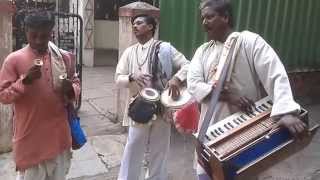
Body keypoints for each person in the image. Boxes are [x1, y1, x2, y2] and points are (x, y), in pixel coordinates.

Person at [187, 0, 306, 179]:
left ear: (226, 17)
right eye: (203, 18)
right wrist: (229, 95)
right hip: (211, 135)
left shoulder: (249, 41)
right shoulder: (202, 52)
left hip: (246, 132)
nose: (204, 22)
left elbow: (274, 72)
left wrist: (286, 111)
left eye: (210, 17)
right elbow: (193, 85)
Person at [0, 10, 80, 180]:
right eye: (33, 35)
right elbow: (3, 96)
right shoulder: (14, 60)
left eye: (44, 36)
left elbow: (76, 83)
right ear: (25, 32)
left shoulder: (63, 57)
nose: (38, 41)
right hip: (30, 139)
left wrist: (70, 88)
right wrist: (24, 82)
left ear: (51, 32)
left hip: (59, 138)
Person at [115, 14, 189, 180]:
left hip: (162, 108)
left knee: (160, 150)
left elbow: (188, 65)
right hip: (140, 107)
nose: (134, 26)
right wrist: (131, 77)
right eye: (133, 24)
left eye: (139, 23)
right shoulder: (129, 52)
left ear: (150, 27)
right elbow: (118, 78)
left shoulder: (165, 48)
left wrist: (176, 79)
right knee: (133, 147)